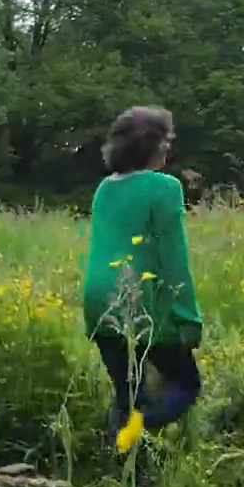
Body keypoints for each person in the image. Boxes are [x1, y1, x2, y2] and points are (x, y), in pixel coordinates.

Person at [81, 106, 203, 449]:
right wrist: (188, 319)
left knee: (127, 394)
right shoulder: (163, 187)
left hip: (99, 298)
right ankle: (135, 433)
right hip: (140, 297)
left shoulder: (105, 188)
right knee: (186, 384)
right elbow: (173, 257)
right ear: (154, 145)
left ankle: (124, 467)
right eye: (167, 140)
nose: (170, 148)